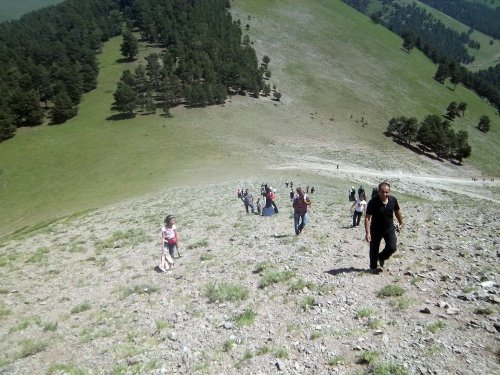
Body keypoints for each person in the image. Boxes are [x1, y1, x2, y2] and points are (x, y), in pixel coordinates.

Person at [364, 182, 404, 274]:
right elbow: (367, 217)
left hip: (389, 229)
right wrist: (368, 232)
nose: (384, 194)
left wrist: (401, 222)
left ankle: (381, 257)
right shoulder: (373, 202)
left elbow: (397, 211)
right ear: (378, 192)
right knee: (374, 248)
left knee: (392, 247)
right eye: (382, 192)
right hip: (375, 229)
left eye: (386, 192)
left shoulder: (393, 200)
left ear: (389, 192)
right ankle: (373, 267)